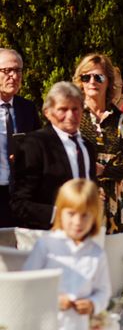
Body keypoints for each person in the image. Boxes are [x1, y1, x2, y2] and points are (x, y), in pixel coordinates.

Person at [23, 179, 111, 330]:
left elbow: (103, 291)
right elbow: (27, 284)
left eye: (85, 216)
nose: (77, 222)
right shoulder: (46, 246)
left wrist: (92, 304)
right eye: (71, 214)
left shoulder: (96, 253)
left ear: (94, 216)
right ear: (60, 212)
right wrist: (52, 299)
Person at [12, 82, 97, 229]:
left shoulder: (87, 147)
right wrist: (58, 215)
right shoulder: (34, 145)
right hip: (47, 236)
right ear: (48, 112)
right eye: (62, 109)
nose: (70, 116)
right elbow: (19, 203)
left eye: (75, 109)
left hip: (84, 236)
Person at [74, 53, 123, 234]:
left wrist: (103, 171)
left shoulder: (121, 120)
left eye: (98, 77)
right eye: (86, 77)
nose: (92, 81)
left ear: (108, 81)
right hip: (80, 205)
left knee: (115, 261)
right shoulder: (72, 116)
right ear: (81, 81)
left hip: (114, 208)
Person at [0, 48, 40, 226]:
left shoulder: (27, 109)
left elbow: (39, 149)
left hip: (20, 195)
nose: (14, 76)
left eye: (18, 70)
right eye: (7, 70)